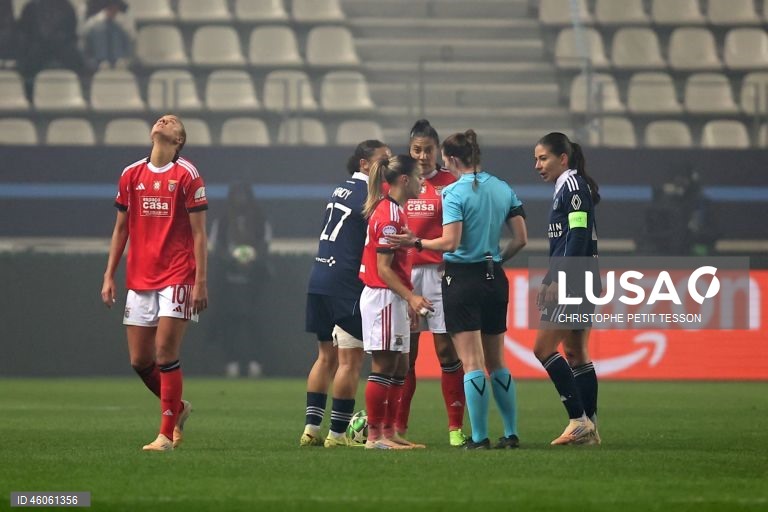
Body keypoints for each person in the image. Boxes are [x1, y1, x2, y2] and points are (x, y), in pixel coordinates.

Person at [388, 130, 527, 449]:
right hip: (494, 277)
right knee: (498, 363)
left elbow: (450, 242)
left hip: (462, 279)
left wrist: (417, 242)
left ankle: (478, 437)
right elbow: (520, 237)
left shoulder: (453, 192)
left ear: (449, 158)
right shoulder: (503, 188)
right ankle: (511, 433)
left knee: (472, 363)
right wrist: (497, 259)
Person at [101, 114, 208, 452]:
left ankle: (165, 435)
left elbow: (199, 233)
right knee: (140, 360)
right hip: (140, 277)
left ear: (179, 141)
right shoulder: (131, 174)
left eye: (173, 122)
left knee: (165, 353)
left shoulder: (187, 175)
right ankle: (179, 408)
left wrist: (201, 281)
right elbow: (121, 229)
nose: (164, 121)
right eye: (162, 119)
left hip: (177, 274)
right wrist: (109, 274)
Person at [301, 140, 391, 448]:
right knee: (350, 361)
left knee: (324, 357)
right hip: (345, 282)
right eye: (383, 160)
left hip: (319, 277)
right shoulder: (373, 195)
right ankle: (338, 435)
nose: (388, 165)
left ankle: (311, 429)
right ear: (365, 164)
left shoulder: (340, 189)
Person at [394, 119, 467, 447]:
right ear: (410, 151)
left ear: (438, 151)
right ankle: (398, 428)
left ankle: (455, 428)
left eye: (428, 150)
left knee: (445, 351)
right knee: (405, 356)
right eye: (416, 150)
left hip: (439, 273)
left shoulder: (451, 182)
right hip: (405, 276)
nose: (422, 156)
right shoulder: (398, 182)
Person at [532, 131, 601, 446]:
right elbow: (566, 241)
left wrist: (561, 278)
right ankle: (590, 426)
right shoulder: (567, 186)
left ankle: (578, 420)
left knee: (543, 349)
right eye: (536, 159)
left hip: (575, 280)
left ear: (563, 158)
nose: (538, 165)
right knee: (575, 353)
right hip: (582, 278)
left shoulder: (572, 186)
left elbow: (577, 235)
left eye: (543, 158)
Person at [360, 154, 432, 450]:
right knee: (384, 365)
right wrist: (411, 297)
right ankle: (375, 436)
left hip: (395, 298)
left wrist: (407, 301)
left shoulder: (395, 210)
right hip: (383, 296)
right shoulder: (388, 214)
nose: (422, 181)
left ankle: (390, 432)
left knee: (401, 364)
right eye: (418, 177)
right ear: (404, 179)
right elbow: (384, 269)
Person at [208, 181, 271, 378]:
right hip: (228, 278)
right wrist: (232, 258)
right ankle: (231, 361)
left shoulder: (260, 219)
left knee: (254, 321)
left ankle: (255, 362)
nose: (241, 200)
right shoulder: (223, 219)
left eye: (244, 195)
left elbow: (265, 242)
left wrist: (252, 258)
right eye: (237, 195)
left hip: (254, 279)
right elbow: (215, 245)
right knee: (229, 321)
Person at [81, 0, 135, 70]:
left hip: (117, 49)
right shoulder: (89, 8)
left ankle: (119, 59)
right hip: (95, 53)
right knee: (100, 28)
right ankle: (102, 60)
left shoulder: (122, 10)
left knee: (116, 28)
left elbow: (131, 35)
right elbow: (84, 32)